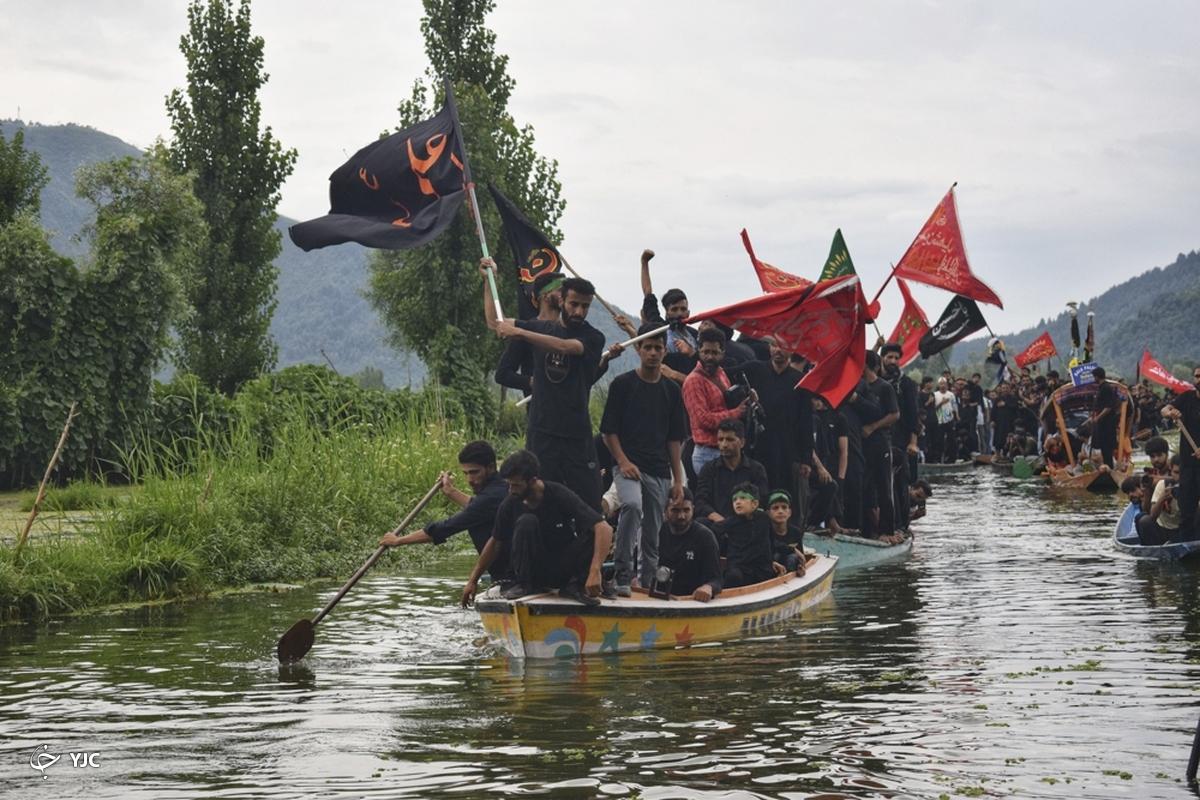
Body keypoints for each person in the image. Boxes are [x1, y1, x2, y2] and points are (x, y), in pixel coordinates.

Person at [482, 259, 606, 511]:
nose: (579, 312)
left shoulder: (593, 337)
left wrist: (519, 332)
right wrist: (488, 279)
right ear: (562, 301)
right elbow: (496, 323)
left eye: (585, 306)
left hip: (576, 434)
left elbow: (564, 347)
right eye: (574, 304)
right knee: (538, 499)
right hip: (542, 431)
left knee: (588, 502)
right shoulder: (540, 327)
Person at [600, 323, 688, 595]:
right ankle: (623, 576)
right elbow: (608, 431)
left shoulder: (671, 391)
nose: (652, 353)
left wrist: (677, 480)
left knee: (652, 532)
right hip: (627, 467)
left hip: (660, 470)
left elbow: (675, 439)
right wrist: (623, 462)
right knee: (632, 505)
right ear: (638, 349)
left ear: (664, 351)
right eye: (647, 347)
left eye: (658, 348)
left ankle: (648, 583)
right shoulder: (623, 384)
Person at [461, 450, 613, 607]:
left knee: (591, 532)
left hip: (561, 566)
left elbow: (604, 529)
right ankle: (524, 585)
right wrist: (472, 581)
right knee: (527, 521)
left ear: (533, 481)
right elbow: (494, 543)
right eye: (509, 485)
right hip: (533, 571)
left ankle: (574, 585)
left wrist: (595, 571)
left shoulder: (558, 493)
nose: (511, 490)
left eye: (516, 485)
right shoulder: (510, 502)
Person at [380, 441, 511, 578]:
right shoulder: (499, 487)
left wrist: (398, 541)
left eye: (474, 472)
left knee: (477, 525)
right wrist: (450, 492)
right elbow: (479, 507)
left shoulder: (493, 495)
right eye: (465, 473)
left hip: (511, 570)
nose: (469, 480)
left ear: (490, 467)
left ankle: (506, 579)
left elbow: (447, 527)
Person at [739, 338, 814, 512]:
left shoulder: (801, 381)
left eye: (783, 346)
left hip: (787, 449)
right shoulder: (755, 369)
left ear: (792, 349)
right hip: (757, 444)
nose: (778, 350)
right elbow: (724, 375)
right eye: (774, 345)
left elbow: (806, 422)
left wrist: (806, 459)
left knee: (782, 494)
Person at [683, 327, 753, 475]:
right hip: (706, 452)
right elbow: (703, 420)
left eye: (714, 353)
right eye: (705, 352)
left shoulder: (721, 374)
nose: (709, 357)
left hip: (727, 451)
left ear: (722, 353)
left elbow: (723, 405)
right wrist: (737, 412)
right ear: (699, 351)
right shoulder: (694, 381)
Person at [494, 272, 564, 395]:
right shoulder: (525, 330)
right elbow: (502, 374)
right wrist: (534, 382)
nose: (566, 295)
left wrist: (603, 363)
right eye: (561, 290)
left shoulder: (572, 331)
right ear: (545, 295)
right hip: (538, 410)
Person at [639, 248, 698, 383]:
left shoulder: (695, 335)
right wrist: (644, 263)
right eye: (674, 309)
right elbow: (648, 293)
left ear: (688, 312)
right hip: (667, 385)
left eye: (683, 309)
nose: (679, 313)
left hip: (692, 387)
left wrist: (691, 352)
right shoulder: (659, 328)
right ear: (667, 312)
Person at [695, 419, 769, 524]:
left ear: (742, 442)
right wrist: (718, 518)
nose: (724, 444)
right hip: (718, 525)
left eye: (730, 439)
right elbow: (700, 501)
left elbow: (762, 500)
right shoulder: (709, 469)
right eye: (720, 439)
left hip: (747, 523)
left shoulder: (756, 469)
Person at [655, 488, 723, 601]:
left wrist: (708, 587)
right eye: (675, 510)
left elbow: (716, 580)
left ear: (693, 510)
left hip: (691, 601)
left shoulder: (705, 537)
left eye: (686, 510)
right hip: (656, 598)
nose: (681, 516)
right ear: (666, 511)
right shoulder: (656, 532)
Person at [714, 482, 785, 588]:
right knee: (733, 576)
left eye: (742, 498)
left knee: (784, 565)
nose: (737, 502)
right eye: (735, 499)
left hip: (761, 568)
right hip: (739, 568)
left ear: (755, 504)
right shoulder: (730, 522)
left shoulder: (764, 518)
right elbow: (710, 533)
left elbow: (770, 542)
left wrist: (773, 560)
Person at [859, 352, 899, 538]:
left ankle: (887, 530)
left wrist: (873, 427)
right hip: (861, 444)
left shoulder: (884, 387)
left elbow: (894, 414)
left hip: (881, 442)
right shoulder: (858, 387)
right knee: (865, 486)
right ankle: (868, 529)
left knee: (884, 486)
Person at [880, 343, 918, 530]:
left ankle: (902, 524)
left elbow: (913, 415)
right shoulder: (875, 380)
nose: (893, 361)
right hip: (878, 438)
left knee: (900, 482)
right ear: (883, 358)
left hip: (901, 440)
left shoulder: (906, 384)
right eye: (889, 357)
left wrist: (913, 442)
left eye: (896, 358)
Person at [1162, 368, 1200, 541]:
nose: (1199, 379)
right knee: (1187, 511)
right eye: (1197, 376)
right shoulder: (1186, 398)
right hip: (1188, 465)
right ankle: (1186, 545)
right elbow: (1165, 409)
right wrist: (1171, 412)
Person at [810, 394, 847, 533]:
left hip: (822, 463)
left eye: (818, 400)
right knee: (828, 485)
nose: (816, 403)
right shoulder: (805, 418)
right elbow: (808, 446)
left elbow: (825, 450)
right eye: (814, 399)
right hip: (803, 464)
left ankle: (830, 523)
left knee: (831, 485)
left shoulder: (818, 420)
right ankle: (812, 523)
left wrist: (823, 469)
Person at [1136, 455, 1182, 546]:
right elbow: (1152, 515)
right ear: (1171, 471)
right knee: (1144, 520)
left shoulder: (1195, 485)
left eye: (1183, 473)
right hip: (1164, 530)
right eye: (1176, 472)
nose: (1180, 477)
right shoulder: (1163, 485)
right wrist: (1162, 498)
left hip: (1185, 529)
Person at [766, 490, 805, 573]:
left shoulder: (796, 532)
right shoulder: (764, 531)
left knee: (793, 558)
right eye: (775, 508)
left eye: (784, 507)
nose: (780, 511)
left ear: (789, 512)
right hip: (771, 570)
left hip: (790, 573)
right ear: (768, 513)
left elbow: (801, 556)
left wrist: (800, 566)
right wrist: (792, 549)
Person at [1090, 367, 1120, 468]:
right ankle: (1107, 466)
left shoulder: (1106, 388)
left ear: (1097, 376)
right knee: (1103, 447)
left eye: (1094, 377)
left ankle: (1109, 468)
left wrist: (1097, 418)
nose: (1094, 379)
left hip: (1107, 424)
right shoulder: (1101, 388)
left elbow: (1108, 407)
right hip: (1102, 425)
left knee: (1107, 448)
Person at [931, 377, 958, 464]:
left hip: (950, 420)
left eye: (944, 384)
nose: (943, 385)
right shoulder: (935, 395)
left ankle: (952, 458)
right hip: (939, 420)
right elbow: (933, 408)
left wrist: (957, 416)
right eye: (941, 384)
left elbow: (954, 406)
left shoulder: (951, 395)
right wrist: (942, 403)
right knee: (939, 440)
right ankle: (938, 459)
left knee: (952, 440)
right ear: (938, 385)